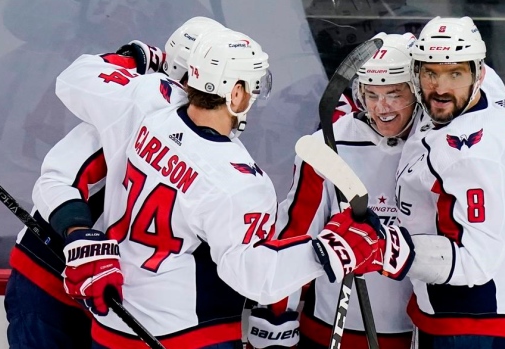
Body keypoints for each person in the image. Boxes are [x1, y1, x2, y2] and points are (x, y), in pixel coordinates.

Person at [48, 26, 410, 348]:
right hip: (186, 333)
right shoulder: (237, 180)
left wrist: (134, 56)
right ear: (235, 93)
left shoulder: (145, 101)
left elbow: (75, 79)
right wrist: (329, 251)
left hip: (112, 321)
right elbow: (253, 276)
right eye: (253, 86)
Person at [4, 16, 225, 349]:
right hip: (52, 275)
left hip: (123, 295)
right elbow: (58, 180)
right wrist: (80, 235)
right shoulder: (133, 107)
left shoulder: (222, 127)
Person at [246, 32, 419, 349]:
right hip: (329, 330)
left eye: (395, 94)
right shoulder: (328, 145)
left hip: (413, 332)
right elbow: (296, 231)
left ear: (417, 90)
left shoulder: (433, 143)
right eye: (372, 94)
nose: (382, 108)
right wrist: (276, 316)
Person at [395, 16, 505, 348]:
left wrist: (386, 248)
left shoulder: (471, 157)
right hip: (488, 307)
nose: (441, 88)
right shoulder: (487, 88)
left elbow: (476, 262)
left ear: (476, 74)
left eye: (455, 74)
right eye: (430, 72)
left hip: (478, 323)